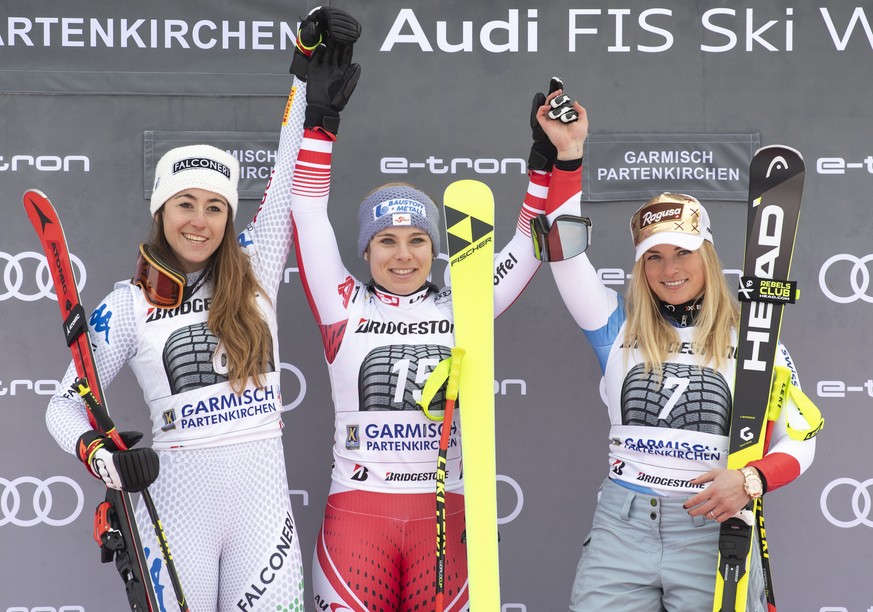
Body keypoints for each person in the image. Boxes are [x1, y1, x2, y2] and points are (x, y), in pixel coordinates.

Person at [43, 9, 361, 608]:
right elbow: (63, 405)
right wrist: (103, 458)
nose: (200, 220)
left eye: (215, 206)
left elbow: (288, 176)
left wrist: (305, 80)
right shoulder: (127, 305)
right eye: (184, 203)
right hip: (175, 511)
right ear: (161, 212)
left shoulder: (257, 268)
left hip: (264, 514)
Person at [286, 42, 576, 611]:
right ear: (365, 252)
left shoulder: (463, 305)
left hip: (445, 521)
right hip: (357, 521)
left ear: (435, 248)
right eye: (386, 242)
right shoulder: (343, 306)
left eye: (418, 240)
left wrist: (545, 162)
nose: (403, 256)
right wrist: (320, 125)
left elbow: (528, 244)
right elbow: (306, 210)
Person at [533, 90, 821, 611]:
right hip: (623, 525)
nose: (670, 270)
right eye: (654, 257)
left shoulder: (755, 338)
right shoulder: (616, 327)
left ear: (707, 254)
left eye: (683, 253)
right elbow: (565, 255)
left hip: (714, 527)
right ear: (641, 267)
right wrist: (568, 156)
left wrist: (751, 479)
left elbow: (802, 440)